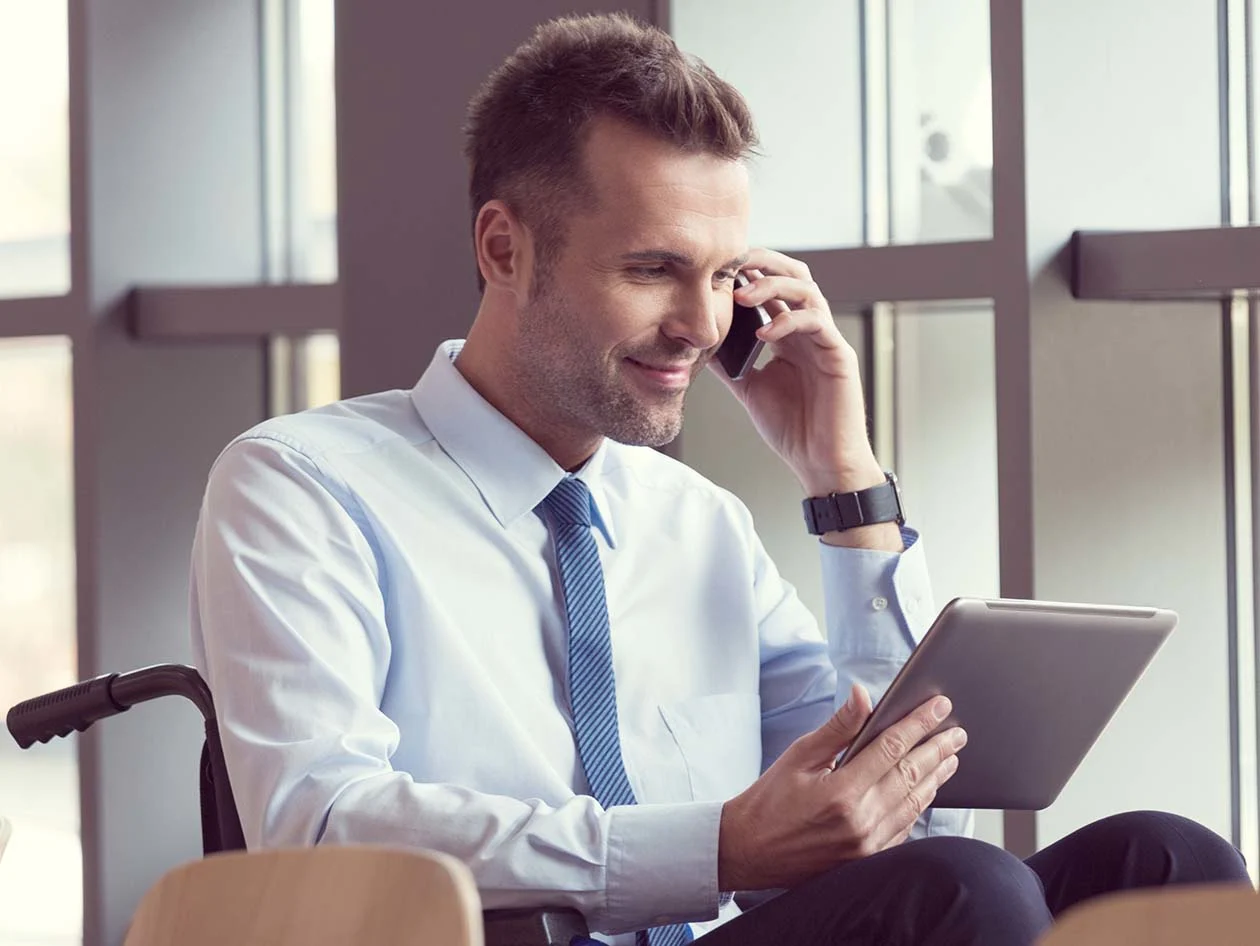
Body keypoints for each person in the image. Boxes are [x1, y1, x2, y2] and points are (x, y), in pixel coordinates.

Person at [190, 12, 1250, 945]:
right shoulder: (302, 486)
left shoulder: (696, 522)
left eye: (724, 277)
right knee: (963, 894)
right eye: (652, 268)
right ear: (505, 249)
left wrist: (846, 484)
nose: (702, 327)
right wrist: (717, 847)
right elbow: (324, 823)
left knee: (1163, 863)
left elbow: (905, 827)